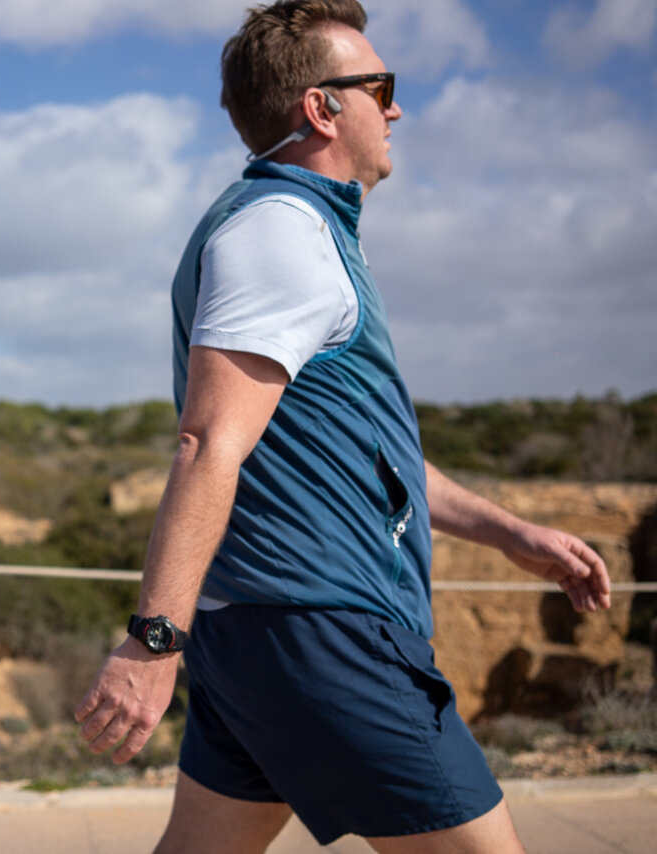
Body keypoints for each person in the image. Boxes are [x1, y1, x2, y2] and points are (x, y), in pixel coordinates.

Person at [73, 2, 612, 852]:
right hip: (325, 634)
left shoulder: (302, 232)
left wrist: (511, 532)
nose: (396, 108)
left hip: (268, 633)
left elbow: (367, 458)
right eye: (381, 87)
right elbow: (210, 442)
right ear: (322, 108)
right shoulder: (281, 234)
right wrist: (151, 641)